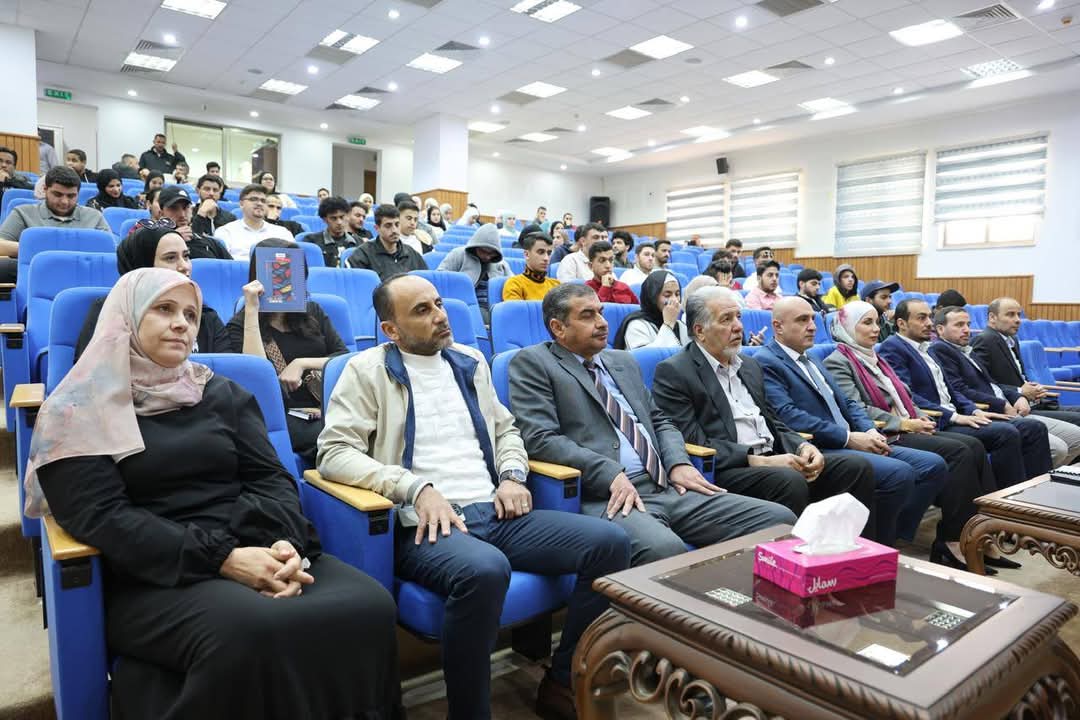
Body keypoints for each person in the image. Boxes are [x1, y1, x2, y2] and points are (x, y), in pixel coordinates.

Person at [27, 267, 403, 719]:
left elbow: (273, 480)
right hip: (152, 571)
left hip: (254, 541)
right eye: (164, 309)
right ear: (124, 318)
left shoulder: (222, 393)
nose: (182, 323)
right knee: (252, 628)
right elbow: (103, 517)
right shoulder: (77, 410)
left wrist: (284, 543)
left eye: (190, 314)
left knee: (369, 606)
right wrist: (224, 559)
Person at [317, 274, 630, 720]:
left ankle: (562, 681)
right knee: (485, 569)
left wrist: (513, 476)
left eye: (438, 304)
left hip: (495, 510)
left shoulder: (470, 361)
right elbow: (334, 454)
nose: (440, 315)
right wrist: (415, 488)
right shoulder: (367, 370)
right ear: (391, 329)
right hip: (425, 523)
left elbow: (507, 431)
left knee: (609, 543)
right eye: (422, 310)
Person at [509, 283, 796, 568]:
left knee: (777, 520)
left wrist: (678, 462)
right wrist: (608, 472)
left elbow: (660, 421)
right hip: (608, 495)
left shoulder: (621, 361)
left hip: (667, 485)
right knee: (665, 550)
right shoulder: (535, 363)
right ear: (558, 328)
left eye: (601, 312)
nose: (602, 323)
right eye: (588, 315)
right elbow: (540, 438)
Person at [653, 287, 877, 520]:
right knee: (789, 480)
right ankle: (796, 544)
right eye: (726, 319)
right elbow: (692, 440)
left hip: (774, 456)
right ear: (700, 331)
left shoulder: (749, 365)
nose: (738, 326)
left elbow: (773, 421)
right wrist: (760, 461)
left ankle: (847, 542)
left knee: (855, 468)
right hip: (730, 468)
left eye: (738, 317)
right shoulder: (675, 371)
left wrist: (802, 446)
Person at [822, 301, 1006, 571]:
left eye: (877, 322)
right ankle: (950, 539)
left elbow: (904, 396)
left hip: (906, 425)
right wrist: (905, 423)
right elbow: (857, 408)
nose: (876, 329)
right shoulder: (837, 361)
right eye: (867, 323)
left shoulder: (874, 357)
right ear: (847, 327)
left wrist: (919, 416)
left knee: (974, 446)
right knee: (960, 451)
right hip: (886, 432)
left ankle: (977, 533)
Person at [757, 297, 944, 547]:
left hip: (853, 438)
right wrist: (848, 438)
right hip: (820, 446)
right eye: (802, 320)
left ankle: (890, 536)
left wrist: (868, 428)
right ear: (778, 326)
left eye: (812, 319)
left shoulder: (810, 358)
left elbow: (848, 402)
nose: (812, 326)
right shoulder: (767, 361)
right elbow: (789, 415)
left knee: (932, 465)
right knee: (899, 473)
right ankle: (874, 545)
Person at [879, 299, 1052, 488]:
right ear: (902, 323)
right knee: (1004, 433)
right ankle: (1006, 496)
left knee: (1031, 428)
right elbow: (908, 395)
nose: (929, 323)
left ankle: (1030, 491)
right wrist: (955, 416)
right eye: (922, 318)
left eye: (929, 317)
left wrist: (973, 410)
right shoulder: (894, 347)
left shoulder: (925, 348)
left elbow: (951, 390)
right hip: (936, 419)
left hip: (956, 413)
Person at [229, 238, 347, 462]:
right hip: (282, 416)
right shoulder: (241, 324)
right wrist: (252, 309)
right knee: (335, 439)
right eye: (277, 272)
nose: (285, 279)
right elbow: (257, 378)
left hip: (328, 406)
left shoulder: (312, 311)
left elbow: (345, 358)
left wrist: (301, 363)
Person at [931, 305, 1080, 467]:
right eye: (959, 325)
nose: (967, 330)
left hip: (1012, 408)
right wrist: (1003, 403)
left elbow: (993, 384)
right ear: (940, 329)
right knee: (1057, 448)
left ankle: (1047, 474)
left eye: (968, 324)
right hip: (991, 411)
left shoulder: (966, 349)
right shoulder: (941, 350)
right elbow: (960, 390)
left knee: (1076, 437)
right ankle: (1034, 479)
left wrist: (1017, 396)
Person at [75, 221, 230, 360]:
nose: (184, 266)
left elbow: (226, 372)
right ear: (142, 266)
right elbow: (92, 375)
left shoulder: (204, 315)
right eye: (170, 258)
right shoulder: (111, 310)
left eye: (186, 256)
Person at [972, 298, 1080, 436]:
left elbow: (1019, 377)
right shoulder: (984, 340)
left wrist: (1033, 388)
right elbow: (981, 383)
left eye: (1019, 314)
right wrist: (1019, 391)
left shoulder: (1012, 340)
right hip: (1014, 408)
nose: (1018, 320)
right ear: (992, 317)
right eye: (1010, 314)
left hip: (1034, 403)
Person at [0, 166, 111, 282]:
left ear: (78, 194)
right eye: (57, 194)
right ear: (45, 189)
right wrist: (40, 249)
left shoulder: (94, 216)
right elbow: (1, 245)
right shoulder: (23, 212)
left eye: (71, 196)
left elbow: (110, 250)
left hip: (83, 273)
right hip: (37, 273)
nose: (64, 202)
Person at [437, 223, 511, 322]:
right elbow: (439, 279)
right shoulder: (458, 254)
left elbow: (513, 284)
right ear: (475, 247)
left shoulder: (501, 264)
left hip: (493, 309)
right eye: (483, 251)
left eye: (491, 253)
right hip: (465, 307)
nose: (487, 256)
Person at [215, 184, 294, 261]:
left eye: (263, 201)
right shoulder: (226, 231)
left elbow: (294, 263)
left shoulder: (283, 233)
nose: (259, 203)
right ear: (241, 204)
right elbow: (223, 265)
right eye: (253, 199)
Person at [150, 186, 231, 261]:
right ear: (161, 213)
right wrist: (173, 238)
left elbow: (233, 269)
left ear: (191, 211)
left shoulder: (210, 242)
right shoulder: (153, 240)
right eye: (174, 208)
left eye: (186, 208)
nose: (182, 214)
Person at [347, 203, 426, 280]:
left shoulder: (412, 254)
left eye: (397, 224)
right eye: (388, 225)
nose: (394, 230)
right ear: (377, 228)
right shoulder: (362, 255)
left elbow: (425, 282)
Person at [614, 272, 687, 350]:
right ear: (653, 297)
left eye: (677, 294)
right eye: (667, 295)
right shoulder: (637, 326)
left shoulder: (680, 326)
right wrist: (668, 325)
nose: (675, 300)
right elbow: (647, 356)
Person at [502, 231, 560, 301]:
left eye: (549, 253)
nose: (546, 258)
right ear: (527, 254)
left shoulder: (556, 285)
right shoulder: (514, 284)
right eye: (540, 252)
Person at [310, 196, 359, 268]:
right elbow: (301, 270)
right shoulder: (311, 241)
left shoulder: (358, 242)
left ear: (347, 216)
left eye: (342, 217)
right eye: (333, 218)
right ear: (324, 219)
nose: (339, 222)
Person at [585, 240, 638, 305]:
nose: (608, 265)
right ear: (590, 266)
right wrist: (605, 287)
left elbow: (639, 309)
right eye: (602, 260)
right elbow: (596, 309)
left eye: (611, 260)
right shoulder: (586, 289)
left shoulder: (623, 287)